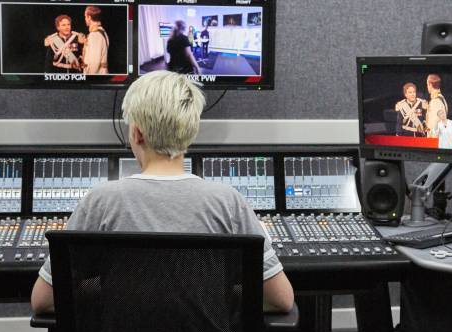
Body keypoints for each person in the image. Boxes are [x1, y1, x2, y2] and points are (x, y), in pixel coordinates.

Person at [31, 71, 294, 315]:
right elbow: (281, 299)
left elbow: (43, 300)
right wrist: (220, 295)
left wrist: (108, 292)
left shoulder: (100, 201)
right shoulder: (228, 202)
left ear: (136, 133)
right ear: (192, 133)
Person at [81, 5, 109, 74]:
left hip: (96, 78)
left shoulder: (95, 35)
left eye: (85, 16)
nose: (85, 19)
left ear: (89, 17)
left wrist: (87, 80)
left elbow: (94, 64)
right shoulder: (102, 31)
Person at [425, 74, 448, 138]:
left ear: (430, 84)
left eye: (427, 84)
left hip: (434, 141)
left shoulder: (435, 102)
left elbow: (433, 127)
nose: (427, 87)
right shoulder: (442, 99)